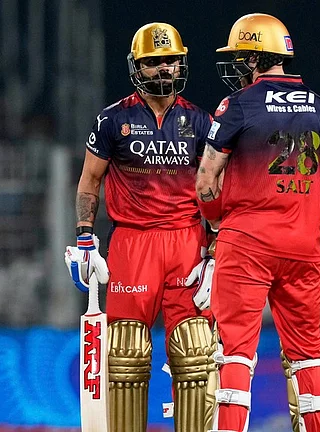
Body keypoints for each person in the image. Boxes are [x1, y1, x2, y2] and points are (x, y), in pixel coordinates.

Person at [196, 13, 320, 432]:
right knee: (310, 354)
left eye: (241, 59)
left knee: (235, 352)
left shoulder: (237, 105)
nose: (237, 69)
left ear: (256, 58)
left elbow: (204, 182)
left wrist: (216, 227)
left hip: (245, 246)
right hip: (303, 249)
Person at [64, 23, 215, 432]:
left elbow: (217, 188)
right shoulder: (113, 120)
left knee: (196, 352)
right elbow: (89, 181)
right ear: (137, 67)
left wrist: (216, 250)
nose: (163, 70)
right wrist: (84, 238)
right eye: (153, 62)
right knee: (125, 354)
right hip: (133, 242)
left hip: (187, 239)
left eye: (170, 61)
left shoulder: (201, 122)